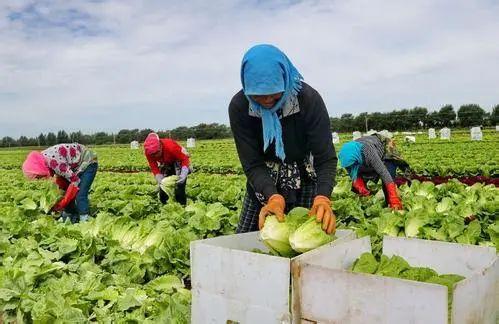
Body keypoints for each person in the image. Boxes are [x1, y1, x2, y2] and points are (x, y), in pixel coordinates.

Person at [229, 44, 337, 234]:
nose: (267, 100)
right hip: (263, 179)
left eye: (274, 92)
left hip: (303, 176)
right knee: (248, 237)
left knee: (302, 241)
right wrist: (272, 197)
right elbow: (252, 163)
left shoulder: (308, 100)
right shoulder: (240, 107)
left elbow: (325, 157)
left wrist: (322, 197)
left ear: (285, 79)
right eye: (258, 95)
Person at [22, 143, 98, 223]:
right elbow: (62, 179)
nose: (39, 178)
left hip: (88, 161)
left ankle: (84, 220)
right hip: (75, 166)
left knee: (80, 195)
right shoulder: (42, 159)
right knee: (65, 192)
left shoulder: (54, 163)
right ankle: (72, 216)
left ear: (39, 169)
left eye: (38, 176)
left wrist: (64, 202)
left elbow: (75, 181)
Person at [338, 133, 409, 210]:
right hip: (365, 154)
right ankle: (364, 206)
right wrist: (361, 188)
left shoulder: (368, 151)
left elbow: (384, 173)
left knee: (387, 179)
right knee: (356, 188)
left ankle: (392, 205)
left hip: (385, 151)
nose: (351, 167)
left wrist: (394, 198)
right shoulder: (348, 158)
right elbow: (354, 175)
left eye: (353, 164)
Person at [144, 132, 190, 205]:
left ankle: (182, 205)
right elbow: (154, 166)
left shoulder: (170, 146)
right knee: (163, 188)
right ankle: (165, 206)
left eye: (157, 153)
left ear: (160, 146)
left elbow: (184, 159)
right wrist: (160, 180)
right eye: (153, 155)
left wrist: (184, 173)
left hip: (178, 160)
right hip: (166, 163)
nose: (155, 156)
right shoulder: (148, 152)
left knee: (180, 186)